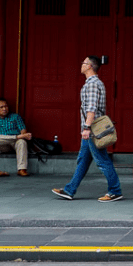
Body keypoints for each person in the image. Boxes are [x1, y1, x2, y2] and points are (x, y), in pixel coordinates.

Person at [52, 56, 123, 202]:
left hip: (93, 130)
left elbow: (91, 108)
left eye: (83, 63)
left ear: (90, 66)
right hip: (92, 130)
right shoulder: (95, 83)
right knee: (83, 161)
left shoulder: (92, 84)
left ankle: (115, 191)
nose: (81, 65)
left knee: (102, 161)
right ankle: (69, 190)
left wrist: (86, 127)